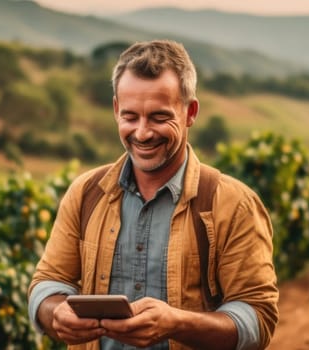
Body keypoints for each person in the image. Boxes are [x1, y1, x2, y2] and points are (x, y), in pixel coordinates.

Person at [27, 40, 278, 350]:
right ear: (116, 109)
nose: (143, 133)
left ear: (190, 112)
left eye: (159, 118)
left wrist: (177, 323)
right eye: (130, 117)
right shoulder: (85, 194)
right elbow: (47, 283)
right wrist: (55, 313)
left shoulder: (234, 205)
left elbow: (258, 317)